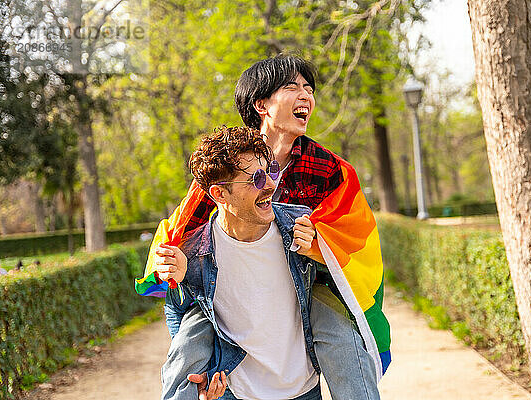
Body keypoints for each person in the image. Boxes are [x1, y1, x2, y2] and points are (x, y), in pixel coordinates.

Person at [136, 55, 389, 399]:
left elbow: (356, 234)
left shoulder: (329, 168)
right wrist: (173, 264)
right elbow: (182, 234)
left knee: (341, 336)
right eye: (292, 87)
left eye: (308, 88)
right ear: (261, 104)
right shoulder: (229, 163)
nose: (306, 96)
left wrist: (318, 244)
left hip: (308, 284)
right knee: (189, 342)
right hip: (234, 297)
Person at [160, 126, 376, 400]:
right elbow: (178, 314)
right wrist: (205, 371)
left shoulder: (302, 227)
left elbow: (350, 283)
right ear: (219, 194)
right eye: (256, 179)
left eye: (270, 171)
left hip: (304, 391)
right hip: (236, 393)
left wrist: (319, 251)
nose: (272, 185)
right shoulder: (194, 253)